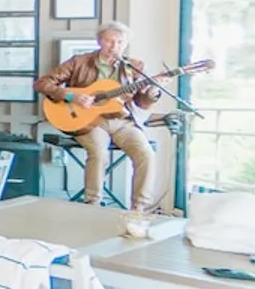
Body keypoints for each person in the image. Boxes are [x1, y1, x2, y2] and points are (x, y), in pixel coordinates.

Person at [34, 21, 162, 211]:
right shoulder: (79, 62)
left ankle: (139, 209)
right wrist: (71, 96)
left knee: (146, 153)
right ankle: (92, 205)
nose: (114, 46)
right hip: (90, 122)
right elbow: (42, 84)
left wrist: (152, 93)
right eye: (110, 41)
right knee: (99, 153)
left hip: (122, 121)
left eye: (120, 42)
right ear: (100, 41)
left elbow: (141, 102)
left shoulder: (133, 66)